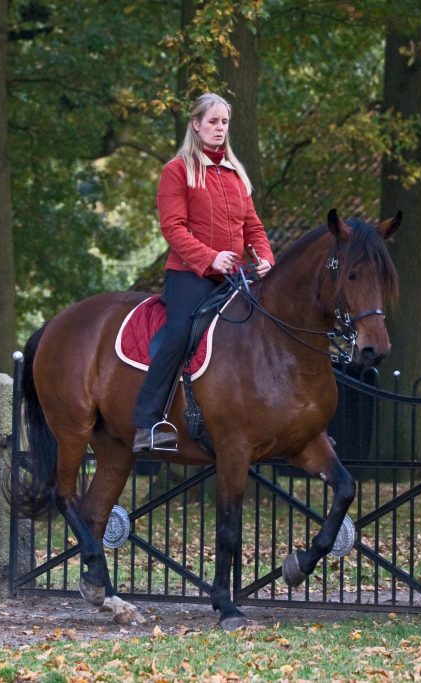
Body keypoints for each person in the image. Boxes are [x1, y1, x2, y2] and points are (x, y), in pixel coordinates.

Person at [132, 92, 275, 453]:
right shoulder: (176, 171)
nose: (219, 128)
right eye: (212, 122)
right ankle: (147, 423)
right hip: (189, 275)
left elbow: (253, 228)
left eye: (224, 122)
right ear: (196, 125)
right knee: (180, 333)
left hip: (233, 277)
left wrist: (265, 257)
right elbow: (173, 228)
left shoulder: (236, 175)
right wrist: (210, 258)